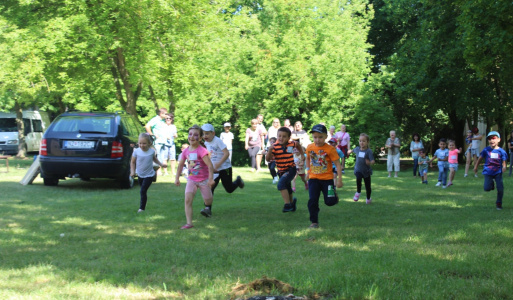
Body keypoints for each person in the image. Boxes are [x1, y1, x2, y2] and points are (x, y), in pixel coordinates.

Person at [174, 125, 215, 229]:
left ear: (200, 138)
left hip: (204, 180)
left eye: (195, 135)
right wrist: (177, 178)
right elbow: (180, 165)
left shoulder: (201, 151)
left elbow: (210, 165)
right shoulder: (185, 151)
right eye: (190, 134)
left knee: (208, 200)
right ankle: (189, 223)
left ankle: (208, 203)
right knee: (187, 200)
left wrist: (210, 179)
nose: (192, 137)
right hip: (192, 180)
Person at [305, 124, 343, 229]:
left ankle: (334, 195)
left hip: (328, 180)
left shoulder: (330, 149)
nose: (317, 140)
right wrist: (308, 171)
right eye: (315, 137)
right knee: (312, 200)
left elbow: (338, 164)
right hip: (313, 179)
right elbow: (308, 159)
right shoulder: (310, 147)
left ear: (326, 137)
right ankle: (314, 222)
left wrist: (339, 180)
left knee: (330, 202)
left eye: (320, 137)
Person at [202, 124, 245, 203]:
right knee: (210, 187)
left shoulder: (217, 141)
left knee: (229, 189)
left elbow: (226, 153)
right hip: (214, 170)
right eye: (203, 134)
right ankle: (207, 209)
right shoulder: (205, 143)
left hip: (225, 168)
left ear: (213, 133)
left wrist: (219, 163)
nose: (205, 136)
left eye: (207, 133)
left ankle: (238, 181)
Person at [265, 127, 303, 212]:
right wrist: (269, 151)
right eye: (279, 136)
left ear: (289, 138)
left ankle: (287, 205)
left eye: (284, 136)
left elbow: (297, 144)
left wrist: (302, 155)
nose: (281, 138)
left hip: (291, 169)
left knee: (281, 184)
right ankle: (292, 204)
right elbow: (268, 159)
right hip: (281, 170)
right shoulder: (274, 146)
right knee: (287, 187)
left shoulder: (292, 144)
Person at [130, 133, 167, 213]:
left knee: (142, 191)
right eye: (140, 143)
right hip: (140, 174)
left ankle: (141, 208)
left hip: (149, 175)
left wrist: (161, 164)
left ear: (149, 143)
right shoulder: (136, 152)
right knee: (143, 191)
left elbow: (154, 159)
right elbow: (132, 162)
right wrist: (132, 171)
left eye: (144, 143)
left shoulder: (151, 152)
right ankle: (142, 206)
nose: (142, 145)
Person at [473, 131, 507, 210]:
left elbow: (504, 161)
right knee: (487, 188)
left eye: (494, 138)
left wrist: (504, 167)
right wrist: (475, 167)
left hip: (498, 171)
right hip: (488, 171)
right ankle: (491, 184)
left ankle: (499, 203)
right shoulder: (486, 150)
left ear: (499, 140)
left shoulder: (501, 151)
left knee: (500, 188)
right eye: (489, 139)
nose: (491, 140)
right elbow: (480, 158)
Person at [348, 133, 375, 204]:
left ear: (367, 142)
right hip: (358, 169)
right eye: (360, 141)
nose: (361, 143)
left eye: (363, 141)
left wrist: (369, 162)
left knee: (368, 187)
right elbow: (352, 150)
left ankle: (368, 198)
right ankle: (358, 192)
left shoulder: (368, 151)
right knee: (358, 178)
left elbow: (373, 161)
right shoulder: (357, 149)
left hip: (366, 171)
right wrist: (349, 152)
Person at [145, 108, 168, 175]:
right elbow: (147, 126)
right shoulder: (155, 119)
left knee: (162, 156)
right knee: (157, 156)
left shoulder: (163, 120)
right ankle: (157, 171)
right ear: (161, 114)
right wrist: (152, 135)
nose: (166, 115)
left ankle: (160, 171)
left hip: (163, 141)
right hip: (157, 141)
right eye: (165, 114)